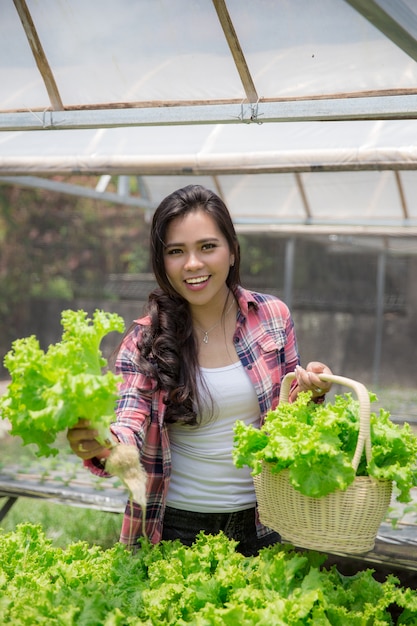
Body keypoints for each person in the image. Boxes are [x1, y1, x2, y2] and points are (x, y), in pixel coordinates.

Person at [67, 184, 332, 556]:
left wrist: (310, 393)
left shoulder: (272, 317)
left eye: (207, 246)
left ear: (232, 251)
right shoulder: (144, 340)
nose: (193, 264)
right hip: (175, 526)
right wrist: (103, 443)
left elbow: (288, 418)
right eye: (177, 251)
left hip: (266, 521)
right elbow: (130, 420)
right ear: (162, 262)